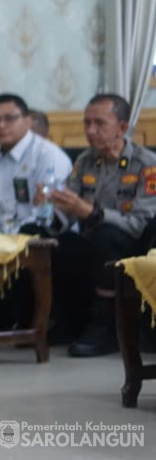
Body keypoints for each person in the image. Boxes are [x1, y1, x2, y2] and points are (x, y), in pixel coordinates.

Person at [46, 94, 156, 357]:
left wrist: (94, 214)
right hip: (95, 238)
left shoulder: (146, 165)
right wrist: (52, 209)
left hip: (135, 243)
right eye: (86, 123)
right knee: (58, 243)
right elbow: (69, 212)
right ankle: (66, 321)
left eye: (99, 123)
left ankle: (106, 326)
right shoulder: (85, 161)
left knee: (105, 235)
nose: (90, 131)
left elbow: (141, 223)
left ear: (122, 127)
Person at [0, 94, 72, 235]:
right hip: (0, 246)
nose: (1, 125)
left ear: (28, 121)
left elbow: (45, 215)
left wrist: (12, 242)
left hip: (45, 242)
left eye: (10, 119)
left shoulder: (47, 155)